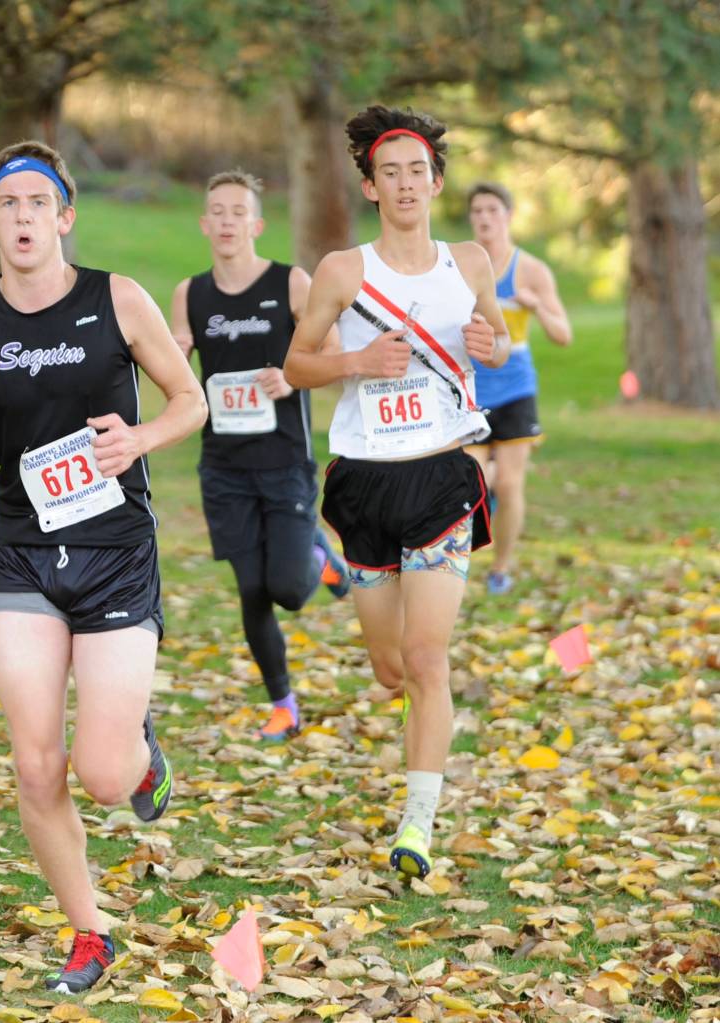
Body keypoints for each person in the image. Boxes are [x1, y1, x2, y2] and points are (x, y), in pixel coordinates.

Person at [0, 141, 207, 993]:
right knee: (36, 763)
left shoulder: (115, 298)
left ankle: (142, 756)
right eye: (6, 205)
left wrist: (140, 438)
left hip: (116, 551)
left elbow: (186, 399)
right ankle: (89, 931)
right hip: (21, 554)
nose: (21, 218)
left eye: (36, 203)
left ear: (63, 217)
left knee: (103, 774)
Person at [284, 107, 510, 879]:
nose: (407, 183)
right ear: (371, 187)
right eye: (392, 173)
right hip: (362, 485)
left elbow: (498, 336)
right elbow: (295, 364)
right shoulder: (345, 271)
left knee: (425, 656)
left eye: (418, 171)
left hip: (442, 476)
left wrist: (493, 343)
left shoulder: (469, 262)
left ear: (435, 182)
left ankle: (416, 824)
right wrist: (356, 364)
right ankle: (407, 717)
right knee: (389, 668)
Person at [170, 170, 350, 743]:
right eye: (216, 212)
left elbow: (334, 354)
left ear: (255, 224)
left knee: (289, 593)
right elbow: (173, 363)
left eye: (236, 212)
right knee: (252, 590)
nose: (226, 222)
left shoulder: (290, 283)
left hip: (284, 462)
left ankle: (320, 555)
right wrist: (172, 357)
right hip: (223, 468)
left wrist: (290, 378)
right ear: (204, 224)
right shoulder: (190, 294)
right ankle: (284, 706)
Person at [464, 183, 573, 595]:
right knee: (469, 478)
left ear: (508, 215)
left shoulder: (530, 269)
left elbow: (563, 334)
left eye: (492, 209)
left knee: (510, 485)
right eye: (477, 210)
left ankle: (500, 569)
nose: (484, 218)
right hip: (470, 388)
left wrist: (536, 305)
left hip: (514, 388)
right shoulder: (460, 265)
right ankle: (479, 509)